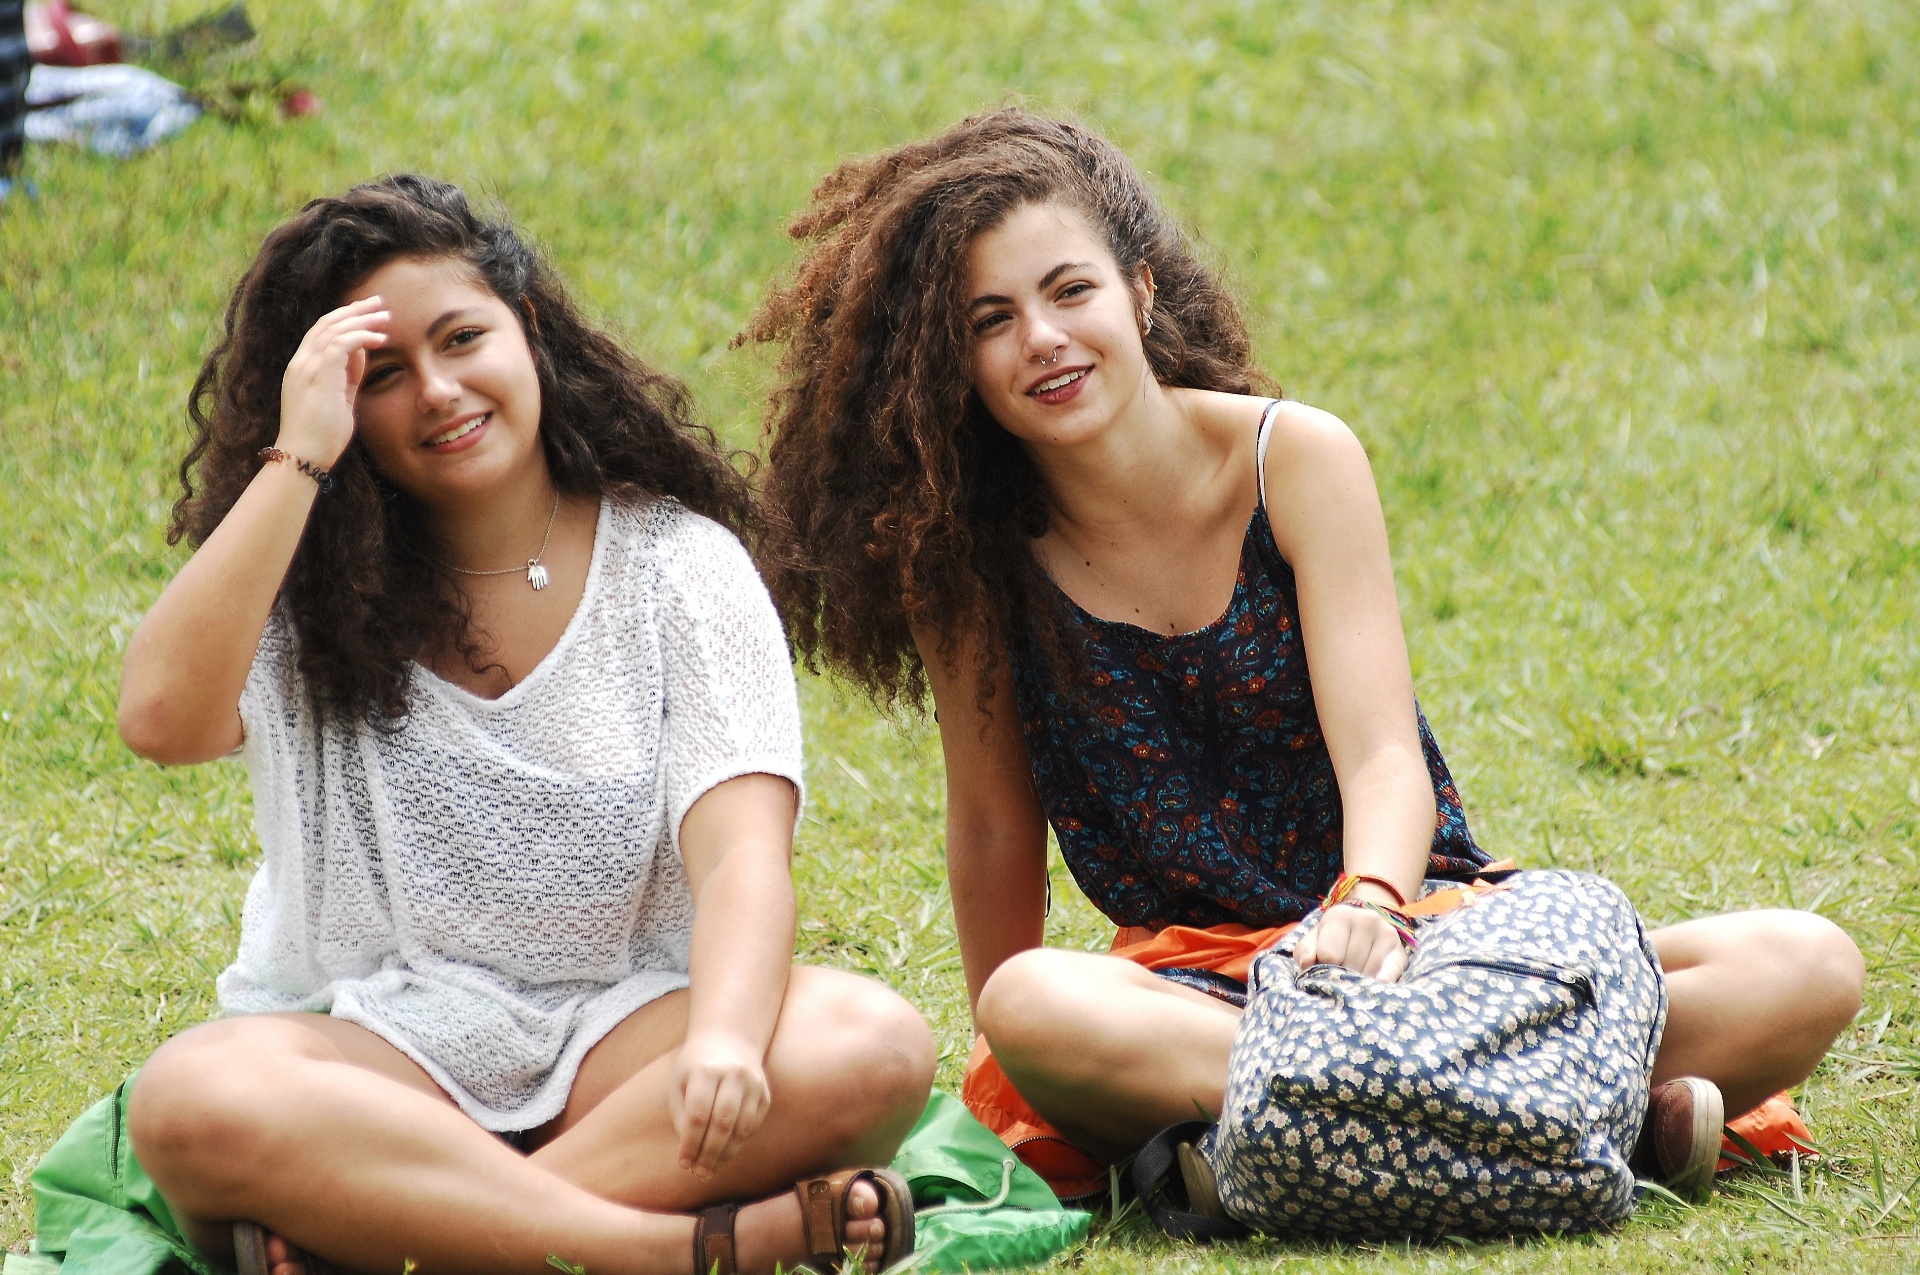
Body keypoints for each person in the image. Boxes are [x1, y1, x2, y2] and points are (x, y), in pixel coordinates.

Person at [744, 109, 1864, 1207]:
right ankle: (1579, 1118)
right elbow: (994, 826)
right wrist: (1010, 1062)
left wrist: (1371, 904)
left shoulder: (1295, 459)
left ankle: (1288, 1147)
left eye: (1070, 290)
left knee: (1804, 964)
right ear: (954, 364)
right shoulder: (968, 563)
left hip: (1421, 939)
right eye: (992, 320)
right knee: (1037, 1005)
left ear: (1139, 292)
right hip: (1197, 990)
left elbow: (1382, 754)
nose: (1041, 337)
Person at [115, 175, 932, 1275]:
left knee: (869, 1043)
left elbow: (742, 854)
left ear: (529, 327)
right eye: (382, 374)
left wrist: (729, 1039)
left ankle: (420, 1231)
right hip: (378, 1048)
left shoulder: (678, 566)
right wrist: (297, 457)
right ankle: (676, 1251)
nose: (439, 391)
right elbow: (160, 719)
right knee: (189, 1101)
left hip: (623, 1037)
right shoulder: (304, 575)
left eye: (463, 338)